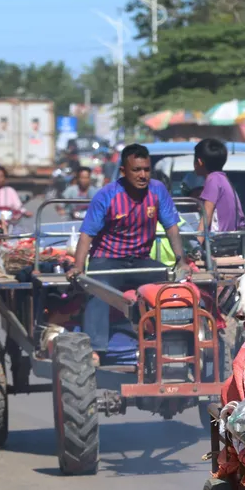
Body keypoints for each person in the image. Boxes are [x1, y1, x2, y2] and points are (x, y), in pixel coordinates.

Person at [67, 143, 192, 359]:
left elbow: (172, 226)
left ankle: (174, 342)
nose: (142, 175)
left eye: (146, 169)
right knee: (98, 289)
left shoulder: (157, 190)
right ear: (124, 171)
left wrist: (181, 262)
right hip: (106, 261)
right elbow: (87, 233)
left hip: (141, 261)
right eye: (136, 170)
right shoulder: (106, 195)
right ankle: (95, 350)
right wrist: (78, 268)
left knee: (171, 285)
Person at [193, 138, 245, 233]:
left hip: (218, 241)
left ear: (199, 162)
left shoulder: (212, 179)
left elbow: (207, 215)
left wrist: (196, 244)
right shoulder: (223, 179)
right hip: (229, 239)